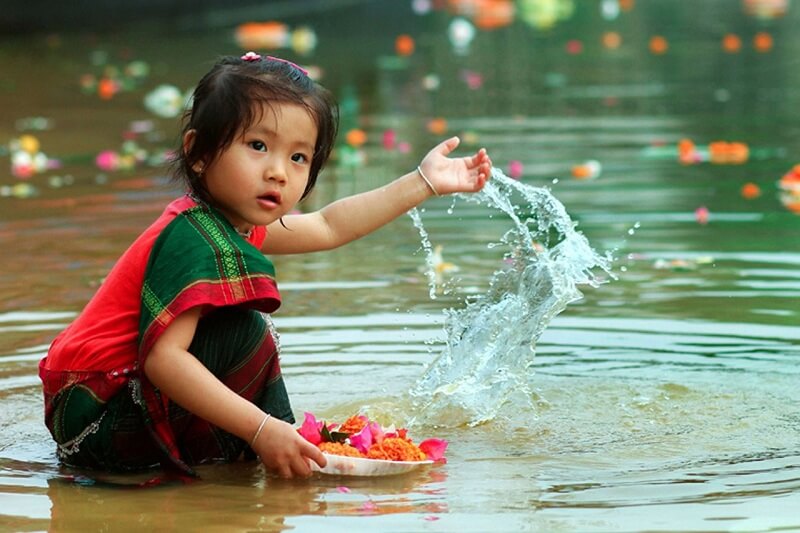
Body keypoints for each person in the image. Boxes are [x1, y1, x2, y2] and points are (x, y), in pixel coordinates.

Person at [38, 52, 492, 479]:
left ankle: (272, 446)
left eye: (298, 157)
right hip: (96, 421)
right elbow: (164, 361)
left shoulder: (229, 225)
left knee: (241, 330)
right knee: (245, 329)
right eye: (258, 145)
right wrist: (261, 429)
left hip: (105, 410)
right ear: (197, 152)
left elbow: (330, 226)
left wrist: (424, 182)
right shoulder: (195, 237)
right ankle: (273, 446)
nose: (278, 171)